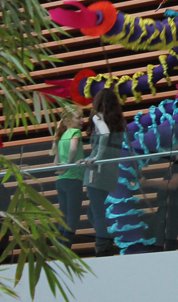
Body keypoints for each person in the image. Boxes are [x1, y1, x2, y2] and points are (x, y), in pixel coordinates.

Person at [82, 88, 125, 257]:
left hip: (97, 171)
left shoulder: (98, 117)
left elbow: (104, 134)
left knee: (96, 211)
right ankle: (106, 239)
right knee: (94, 212)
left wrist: (96, 157)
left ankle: (103, 246)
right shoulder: (119, 122)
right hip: (111, 171)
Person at [141, 135, 178, 251]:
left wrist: (148, 183)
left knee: (160, 242)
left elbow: (173, 184)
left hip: (173, 208)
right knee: (148, 233)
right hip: (171, 208)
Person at [50, 105, 85, 248]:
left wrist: (62, 168)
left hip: (61, 181)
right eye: (79, 117)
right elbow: (73, 147)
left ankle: (59, 246)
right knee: (73, 216)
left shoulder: (60, 136)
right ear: (69, 120)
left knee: (63, 216)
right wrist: (71, 163)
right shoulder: (75, 132)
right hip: (73, 178)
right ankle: (65, 246)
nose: (83, 120)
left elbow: (56, 162)